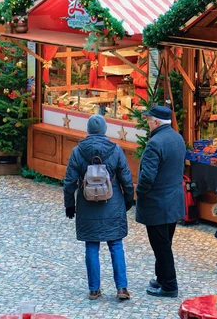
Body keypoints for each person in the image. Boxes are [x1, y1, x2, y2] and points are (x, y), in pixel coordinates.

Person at [64, 115, 134, 301]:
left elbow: (69, 181)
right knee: (116, 245)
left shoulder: (78, 151)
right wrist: (128, 200)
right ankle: (121, 288)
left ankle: (94, 289)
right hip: (113, 202)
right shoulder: (116, 150)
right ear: (104, 129)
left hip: (87, 205)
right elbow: (126, 178)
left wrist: (69, 204)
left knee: (92, 246)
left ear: (88, 130)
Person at [136, 105, 186, 298]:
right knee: (165, 242)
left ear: (156, 122)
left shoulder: (155, 143)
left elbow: (147, 177)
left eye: (149, 120)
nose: (148, 123)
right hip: (174, 201)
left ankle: (170, 285)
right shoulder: (177, 138)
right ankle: (162, 277)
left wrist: (139, 193)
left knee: (161, 246)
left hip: (157, 204)